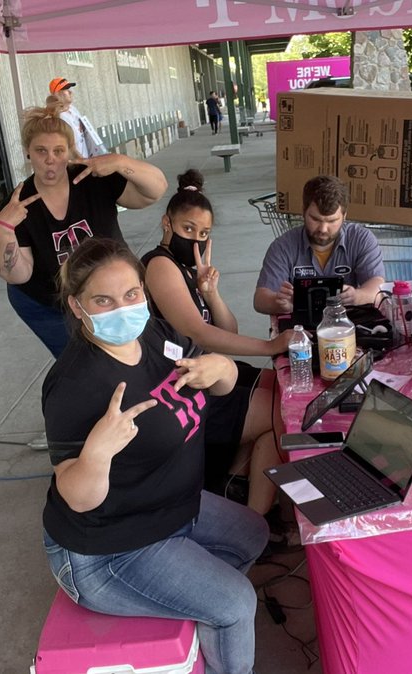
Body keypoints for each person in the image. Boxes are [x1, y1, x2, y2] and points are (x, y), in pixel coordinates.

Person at [42, 237, 267, 674]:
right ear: (77, 306)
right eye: (103, 301)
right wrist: (97, 454)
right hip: (109, 551)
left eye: (131, 294)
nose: (122, 309)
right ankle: (215, 627)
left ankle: (197, 612)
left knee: (253, 533)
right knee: (238, 603)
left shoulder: (153, 333)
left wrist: (222, 368)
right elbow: (79, 496)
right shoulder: (74, 385)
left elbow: (217, 382)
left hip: (172, 508)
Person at [141, 170, 288, 514]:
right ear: (167, 223)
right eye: (187, 229)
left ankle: (245, 498)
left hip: (212, 369)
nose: (196, 239)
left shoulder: (190, 267)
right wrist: (269, 346)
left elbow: (228, 331)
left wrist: (211, 292)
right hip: (183, 379)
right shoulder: (161, 265)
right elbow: (199, 333)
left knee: (281, 389)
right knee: (280, 412)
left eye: (203, 233)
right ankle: (255, 516)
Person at [0, 103, 166, 359]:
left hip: (112, 291)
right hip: (49, 304)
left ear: (70, 151)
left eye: (58, 150)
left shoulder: (91, 179)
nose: (50, 159)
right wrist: (4, 230)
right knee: (84, 361)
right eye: (41, 151)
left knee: (136, 353)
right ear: (27, 153)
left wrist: (120, 161)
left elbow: (155, 191)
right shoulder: (20, 201)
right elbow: (18, 273)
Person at [254, 175, 384, 315]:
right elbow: (260, 299)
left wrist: (356, 296)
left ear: (344, 216)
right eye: (315, 219)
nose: (323, 229)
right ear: (303, 211)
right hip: (300, 327)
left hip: (348, 322)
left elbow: (377, 287)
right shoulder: (283, 247)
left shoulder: (361, 239)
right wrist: (279, 302)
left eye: (332, 221)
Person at [48, 77, 109, 158]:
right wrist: (81, 161)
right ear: (58, 94)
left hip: (86, 157)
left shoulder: (72, 109)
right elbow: (69, 146)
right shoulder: (59, 117)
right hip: (76, 162)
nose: (70, 92)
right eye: (66, 89)